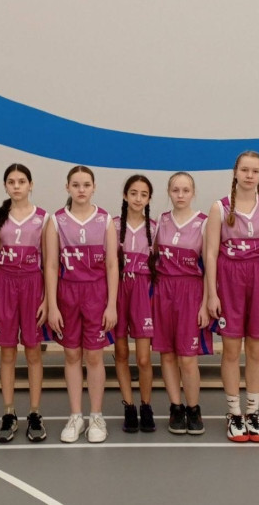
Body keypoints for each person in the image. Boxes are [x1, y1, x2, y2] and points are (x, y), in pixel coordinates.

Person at [206, 151, 259, 442]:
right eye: (245, 170)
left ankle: (252, 412)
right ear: (235, 172)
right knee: (230, 350)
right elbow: (210, 253)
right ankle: (234, 414)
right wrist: (212, 294)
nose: (250, 175)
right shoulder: (220, 207)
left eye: (255, 171)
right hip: (230, 279)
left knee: (256, 351)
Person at [45, 165, 118, 443]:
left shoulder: (105, 219)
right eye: (75, 185)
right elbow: (51, 265)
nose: (81, 190)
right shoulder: (57, 220)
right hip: (68, 293)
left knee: (95, 356)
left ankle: (96, 415)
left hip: (96, 294)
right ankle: (76, 416)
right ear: (67, 187)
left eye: (86, 185)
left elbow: (112, 265)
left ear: (94, 187)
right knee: (72, 355)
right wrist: (53, 305)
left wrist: (112, 305)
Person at [0, 164, 50, 443]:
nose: (16, 186)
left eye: (21, 181)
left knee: (33, 352)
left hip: (32, 286)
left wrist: (47, 299)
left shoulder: (43, 218)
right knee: (7, 353)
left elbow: (49, 262)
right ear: (5, 186)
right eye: (11, 182)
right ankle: (9, 412)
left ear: (30, 185)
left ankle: (34, 412)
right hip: (5, 285)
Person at [152, 172, 211, 435]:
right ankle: (176, 407)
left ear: (193, 193)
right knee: (167, 354)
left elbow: (210, 266)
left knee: (187, 358)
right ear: (169, 192)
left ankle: (193, 408)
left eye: (185, 190)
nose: (180, 195)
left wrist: (205, 303)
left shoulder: (204, 223)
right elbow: (153, 259)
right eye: (175, 190)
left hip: (191, 292)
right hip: (164, 291)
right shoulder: (160, 222)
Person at [113, 175, 157, 433]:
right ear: (125, 195)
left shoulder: (156, 227)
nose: (138, 198)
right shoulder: (112, 225)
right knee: (121, 353)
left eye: (143, 194)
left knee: (143, 358)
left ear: (149, 199)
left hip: (142, 291)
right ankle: (129, 406)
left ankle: (146, 405)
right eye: (133, 193)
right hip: (118, 289)